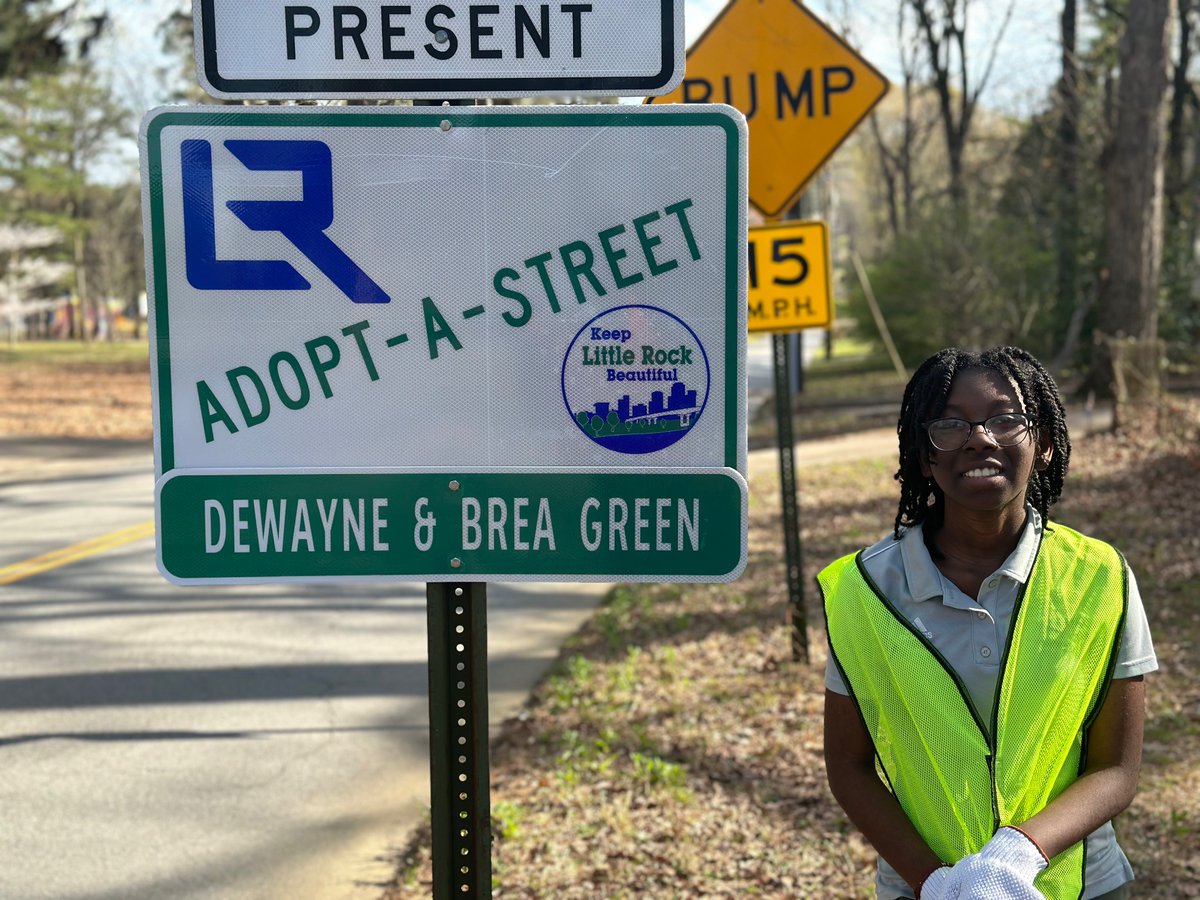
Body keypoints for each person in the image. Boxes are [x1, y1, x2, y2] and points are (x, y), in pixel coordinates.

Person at [819, 347, 1157, 900]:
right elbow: (849, 768)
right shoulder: (864, 591)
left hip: (1078, 886)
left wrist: (1018, 854)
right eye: (951, 424)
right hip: (920, 887)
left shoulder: (1101, 578)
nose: (980, 438)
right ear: (924, 455)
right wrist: (940, 884)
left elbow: (1117, 768)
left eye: (1005, 419)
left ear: (1044, 444)